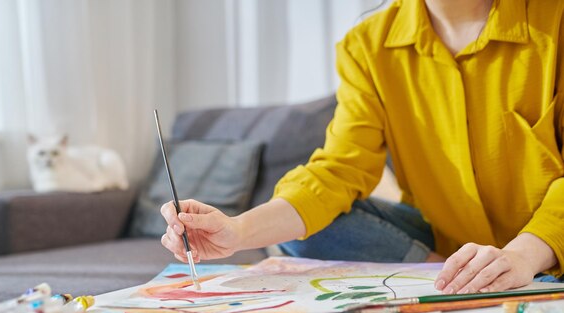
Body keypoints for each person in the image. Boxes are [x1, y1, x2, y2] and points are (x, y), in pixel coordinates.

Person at [161, 0, 564, 294]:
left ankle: (497, 277)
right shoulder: (367, 46)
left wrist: (524, 257)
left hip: (548, 246)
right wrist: (236, 230)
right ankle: (453, 276)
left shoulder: (555, 20)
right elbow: (338, 170)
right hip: (445, 243)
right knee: (307, 226)